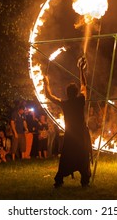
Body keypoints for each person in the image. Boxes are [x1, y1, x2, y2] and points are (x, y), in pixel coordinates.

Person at [43, 56, 92, 188]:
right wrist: (81, 70)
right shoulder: (81, 99)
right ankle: (85, 181)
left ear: (67, 93)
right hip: (80, 134)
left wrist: (45, 82)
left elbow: (48, 96)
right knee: (83, 156)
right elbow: (84, 85)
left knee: (66, 157)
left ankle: (59, 180)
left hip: (70, 135)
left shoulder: (65, 103)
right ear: (75, 93)